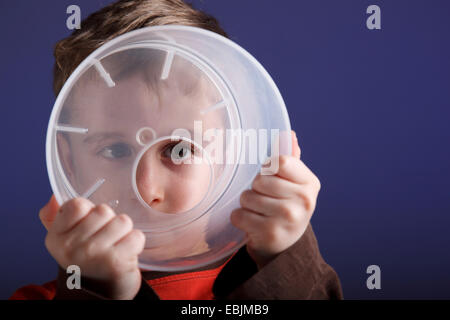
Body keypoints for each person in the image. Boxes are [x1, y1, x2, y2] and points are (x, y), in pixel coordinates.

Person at [10, 0, 343, 300]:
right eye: (114, 150)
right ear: (67, 163)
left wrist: (287, 263)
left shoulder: (287, 282)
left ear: (230, 155)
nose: (148, 189)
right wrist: (95, 291)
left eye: (179, 150)